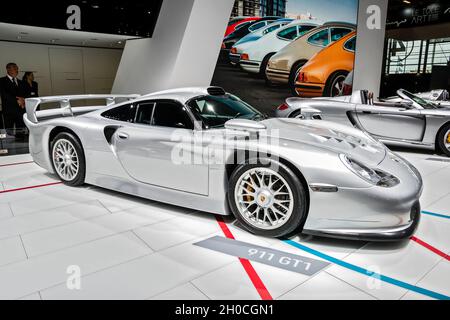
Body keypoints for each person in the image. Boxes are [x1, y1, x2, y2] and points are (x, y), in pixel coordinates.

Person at [0, 63, 27, 138]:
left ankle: (22, 147)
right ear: (8, 69)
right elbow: (4, 94)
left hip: (20, 111)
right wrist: (17, 100)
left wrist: (23, 99)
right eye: (14, 68)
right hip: (9, 111)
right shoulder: (1, 81)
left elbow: (25, 94)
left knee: (21, 132)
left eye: (17, 68)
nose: (17, 70)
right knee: (9, 133)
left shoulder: (21, 82)